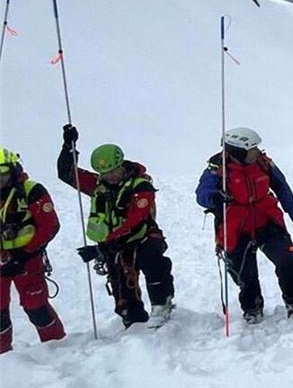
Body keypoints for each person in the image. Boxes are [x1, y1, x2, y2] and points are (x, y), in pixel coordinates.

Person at [59, 125, 175, 328]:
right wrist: (69, 146)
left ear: (121, 165)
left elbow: (135, 221)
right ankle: (133, 321)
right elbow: (66, 174)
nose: (110, 176)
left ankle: (162, 305)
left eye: (113, 170)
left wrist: (100, 249)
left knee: (154, 262)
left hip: (142, 237)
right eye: (104, 172)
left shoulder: (141, 186)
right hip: (113, 245)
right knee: (122, 289)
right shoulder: (98, 186)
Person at [195, 127, 293, 324]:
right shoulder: (216, 168)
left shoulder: (263, 164)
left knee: (288, 260)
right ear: (238, 151)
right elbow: (202, 194)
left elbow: (283, 189)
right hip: (235, 228)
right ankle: (252, 308)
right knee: (245, 275)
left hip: (267, 221)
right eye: (252, 149)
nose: (257, 152)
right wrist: (214, 197)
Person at [0, 149, 65, 353]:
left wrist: (25, 255)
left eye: (2, 173)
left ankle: (58, 349)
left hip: (28, 258)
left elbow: (50, 225)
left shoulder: (31, 190)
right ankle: (3, 357)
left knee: (36, 307)